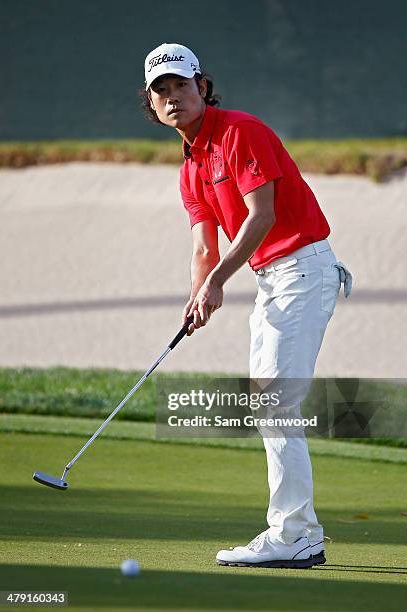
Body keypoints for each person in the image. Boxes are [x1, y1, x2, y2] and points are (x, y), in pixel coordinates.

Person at [140, 42, 352, 568]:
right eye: (160, 91)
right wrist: (198, 293)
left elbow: (261, 216)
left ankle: (295, 533)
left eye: (181, 86)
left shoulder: (239, 131)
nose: (173, 98)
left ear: (203, 88)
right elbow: (202, 245)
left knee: (275, 404)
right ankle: (297, 531)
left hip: (302, 268)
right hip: (274, 279)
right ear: (152, 105)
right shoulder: (190, 168)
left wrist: (216, 283)